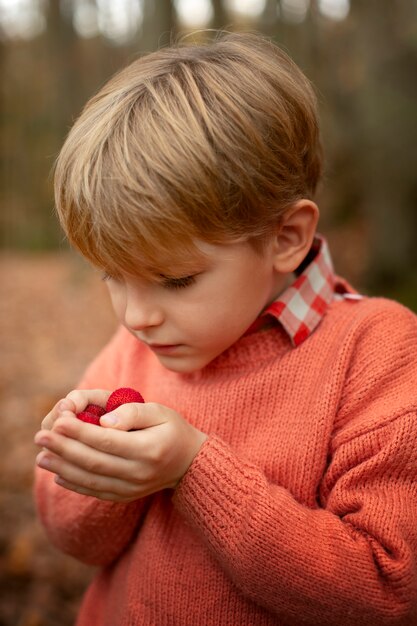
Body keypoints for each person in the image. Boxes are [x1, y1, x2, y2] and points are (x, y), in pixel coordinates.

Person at [34, 32, 417, 626]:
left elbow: (385, 590)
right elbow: (77, 541)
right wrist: (94, 468)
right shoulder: (136, 348)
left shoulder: (377, 355)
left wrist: (194, 469)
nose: (135, 317)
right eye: (113, 276)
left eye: (176, 280)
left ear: (285, 238)